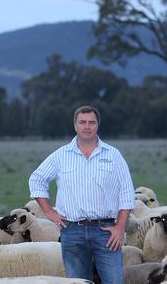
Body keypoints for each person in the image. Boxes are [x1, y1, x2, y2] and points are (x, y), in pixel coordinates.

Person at [28, 105, 134, 283]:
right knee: (77, 282)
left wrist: (120, 227)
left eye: (91, 122)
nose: (87, 126)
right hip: (72, 231)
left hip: (106, 232)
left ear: (97, 125)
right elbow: (36, 179)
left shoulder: (113, 155)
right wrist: (50, 212)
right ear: (75, 125)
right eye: (82, 122)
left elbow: (126, 192)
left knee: (115, 281)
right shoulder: (61, 155)